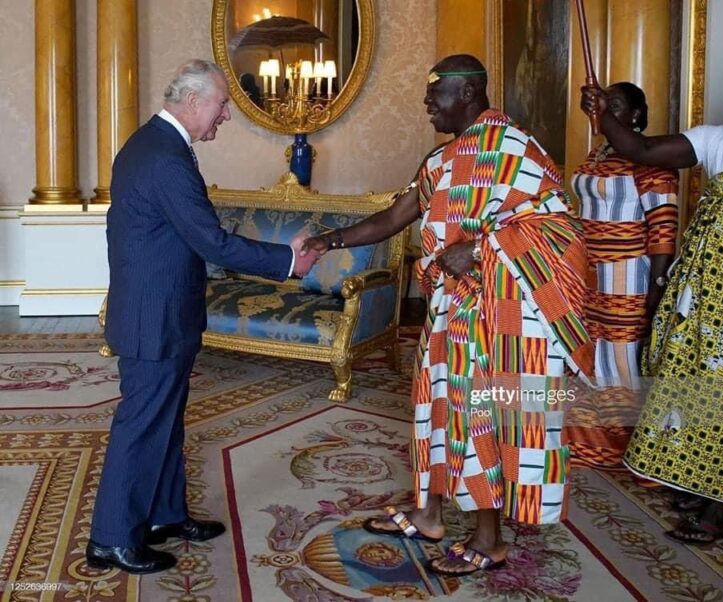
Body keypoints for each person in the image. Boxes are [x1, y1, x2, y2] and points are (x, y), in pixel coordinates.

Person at [302, 54, 594, 576]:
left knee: (480, 416)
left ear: (467, 94)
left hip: (502, 317)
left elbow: (562, 230)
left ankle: (490, 539)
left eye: (435, 95)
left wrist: (482, 248)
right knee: (437, 408)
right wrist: (331, 238)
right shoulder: (441, 161)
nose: (426, 104)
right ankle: (429, 513)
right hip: (450, 313)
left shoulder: (516, 150)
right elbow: (397, 215)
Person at [87, 59, 317, 574]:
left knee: (165, 423)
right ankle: (110, 539)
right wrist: (287, 260)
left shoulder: (156, 144)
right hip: (154, 317)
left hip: (163, 311)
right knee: (143, 426)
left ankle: (165, 514)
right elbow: (211, 241)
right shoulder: (164, 156)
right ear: (193, 101)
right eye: (222, 104)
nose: (226, 116)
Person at [581, 61, 723, 544]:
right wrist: (605, 113)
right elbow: (640, 149)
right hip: (706, 292)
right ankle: (695, 486)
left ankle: (718, 507)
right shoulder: (716, 139)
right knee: (689, 385)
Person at [569, 83, 678, 469]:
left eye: (614, 105)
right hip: (588, 271)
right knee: (591, 350)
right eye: (601, 104)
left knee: (622, 353)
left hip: (627, 273)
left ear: (634, 115)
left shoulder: (651, 159)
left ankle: (629, 444)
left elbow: (664, 228)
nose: (604, 110)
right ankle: (591, 439)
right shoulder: (595, 154)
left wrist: (657, 287)